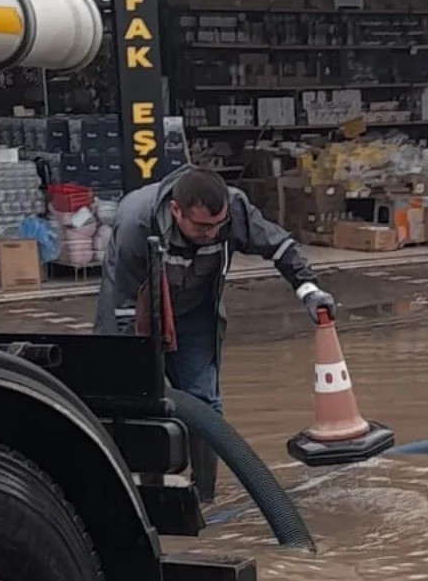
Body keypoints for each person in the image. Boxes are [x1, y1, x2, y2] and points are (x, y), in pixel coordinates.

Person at [94, 166, 335, 498]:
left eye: (217, 226)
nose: (211, 233)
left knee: (204, 403)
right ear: (176, 211)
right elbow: (122, 304)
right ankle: (144, 495)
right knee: (141, 404)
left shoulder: (233, 211)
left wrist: (308, 289)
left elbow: (279, 247)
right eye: (201, 226)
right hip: (137, 312)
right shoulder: (137, 222)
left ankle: (204, 496)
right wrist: (136, 364)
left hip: (195, 312)